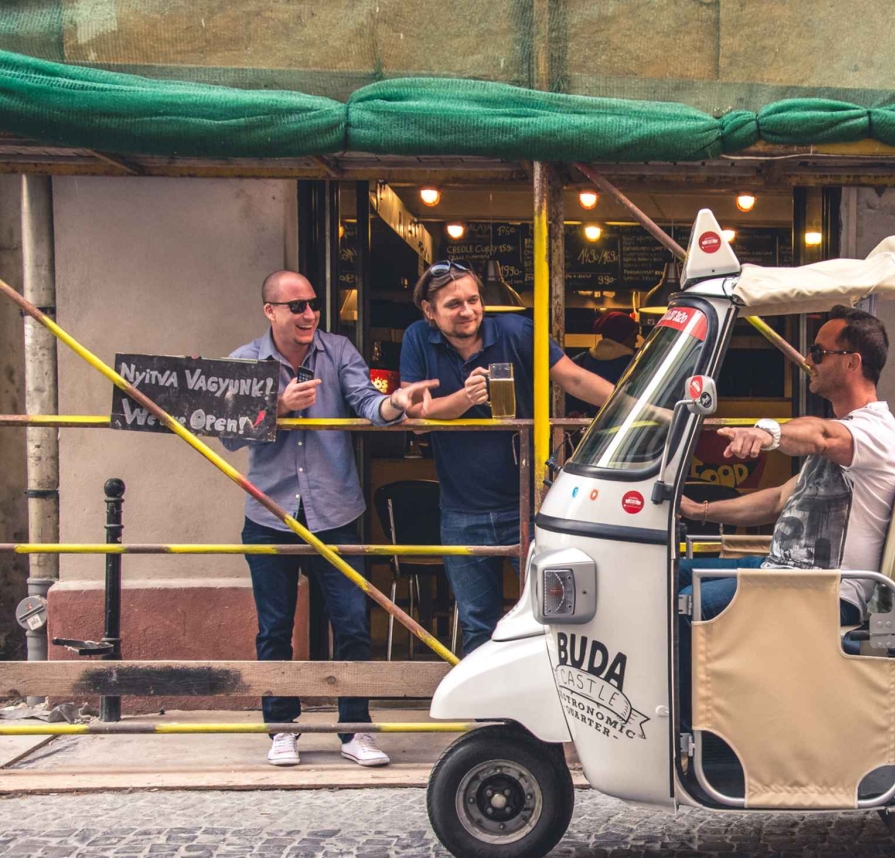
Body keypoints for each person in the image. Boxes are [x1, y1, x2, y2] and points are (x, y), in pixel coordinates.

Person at [226, 270, 438, 768]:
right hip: (271, 513)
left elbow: (366, 403)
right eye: (296, 306)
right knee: (275, 629)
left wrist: (394, 405)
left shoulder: (338, 350)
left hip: (335, 511)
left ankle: (355, 729)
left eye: (313, 304)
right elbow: (231, 437)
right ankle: (281, 729)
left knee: (351, 623)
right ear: (270, 312)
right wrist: (274, 408)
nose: (308, 314)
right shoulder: (246, 362)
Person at [400, 261, 614, 656]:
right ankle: (486, 715)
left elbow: (574, 378)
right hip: (462, 510)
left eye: (473, 300)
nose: (468, 311)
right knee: (477, 621)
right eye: (453, 304)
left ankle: (547, 714)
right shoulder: (417, 339)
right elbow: (416, 418)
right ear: (430, 312)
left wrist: (639, 408)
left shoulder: (516, 330)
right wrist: (464, 399)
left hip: (530, 506)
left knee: (550, 616)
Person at [677, 305, 895, 650]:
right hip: (784, 573)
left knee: (685, 603)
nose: (808, 360)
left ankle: (684, 705)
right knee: (671, 572)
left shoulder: (875, 431)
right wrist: (698, 510)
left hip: (824, 592)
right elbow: (777, 500)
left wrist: (767, 433)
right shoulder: (848, 436)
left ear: (852, 362)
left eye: (818, 352)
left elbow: (821, 435)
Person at [565, 311, 638, 418]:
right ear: (624, 337)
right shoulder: (635, 365)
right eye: (634, 335)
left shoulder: (580, 361)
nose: (636, 340)